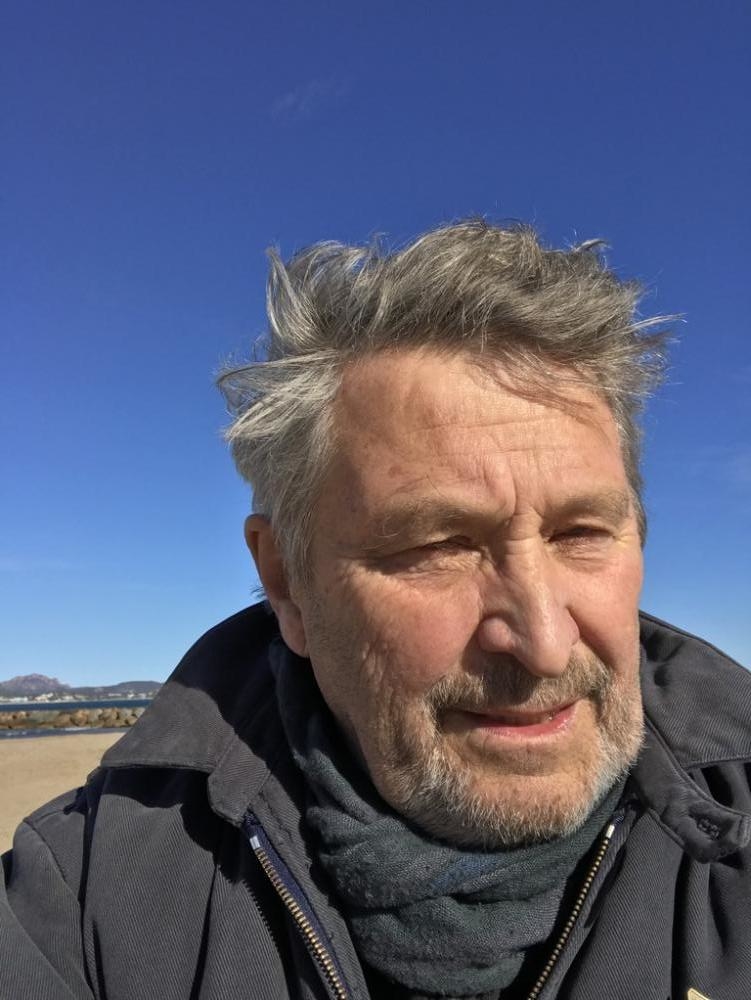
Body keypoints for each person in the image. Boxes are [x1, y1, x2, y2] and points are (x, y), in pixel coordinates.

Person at [2, 221, 749, 1000]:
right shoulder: (86, 904)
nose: (544, 643)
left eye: (581, 533)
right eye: (437, 545)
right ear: (286, 581)